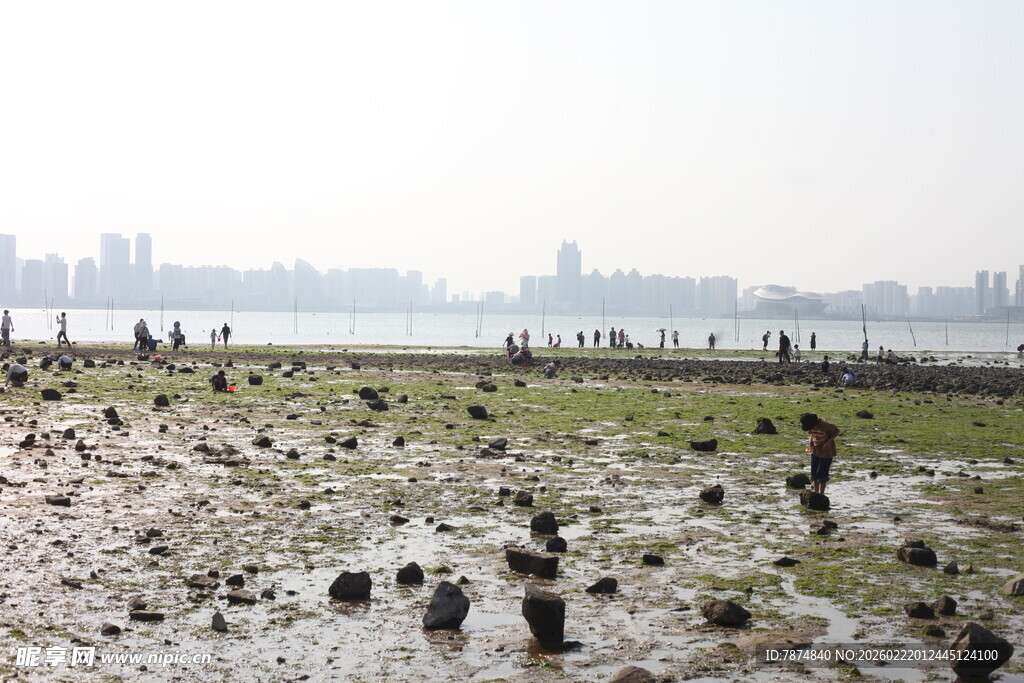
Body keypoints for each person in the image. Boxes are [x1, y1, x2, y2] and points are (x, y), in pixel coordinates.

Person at [800, 413, 840, 495]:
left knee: (821, 474)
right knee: (814, 473)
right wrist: (810, 441)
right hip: (815, 450)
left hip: (826, 452)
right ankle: (816, 492)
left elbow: (837, 431)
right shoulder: (811, 425)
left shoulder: (826, 425)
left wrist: (828, 442)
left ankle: (821, 494)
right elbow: (812, 434)